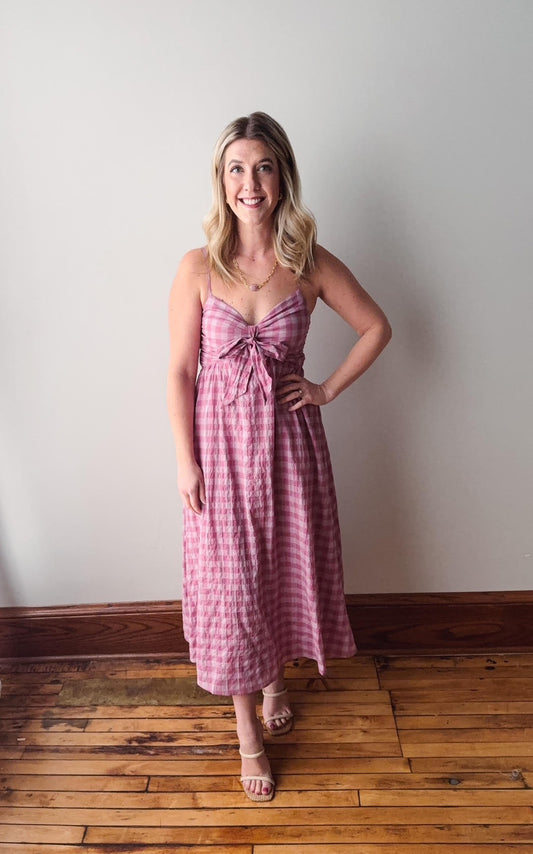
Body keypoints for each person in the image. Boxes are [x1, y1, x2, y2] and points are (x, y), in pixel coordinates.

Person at [167, 111, 391, 802]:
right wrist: (185, 461)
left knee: (279, 569)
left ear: (282, 174)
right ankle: (248, 735)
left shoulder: (309, 262)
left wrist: (323, 388)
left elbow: (376, 327)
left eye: (262, 166)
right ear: (221, 181)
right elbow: (178, 370)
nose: (249, 182)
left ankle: (274, 681)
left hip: (291, 447)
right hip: (220, 453)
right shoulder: (198, 267)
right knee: (232, 587)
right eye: (236, 168)